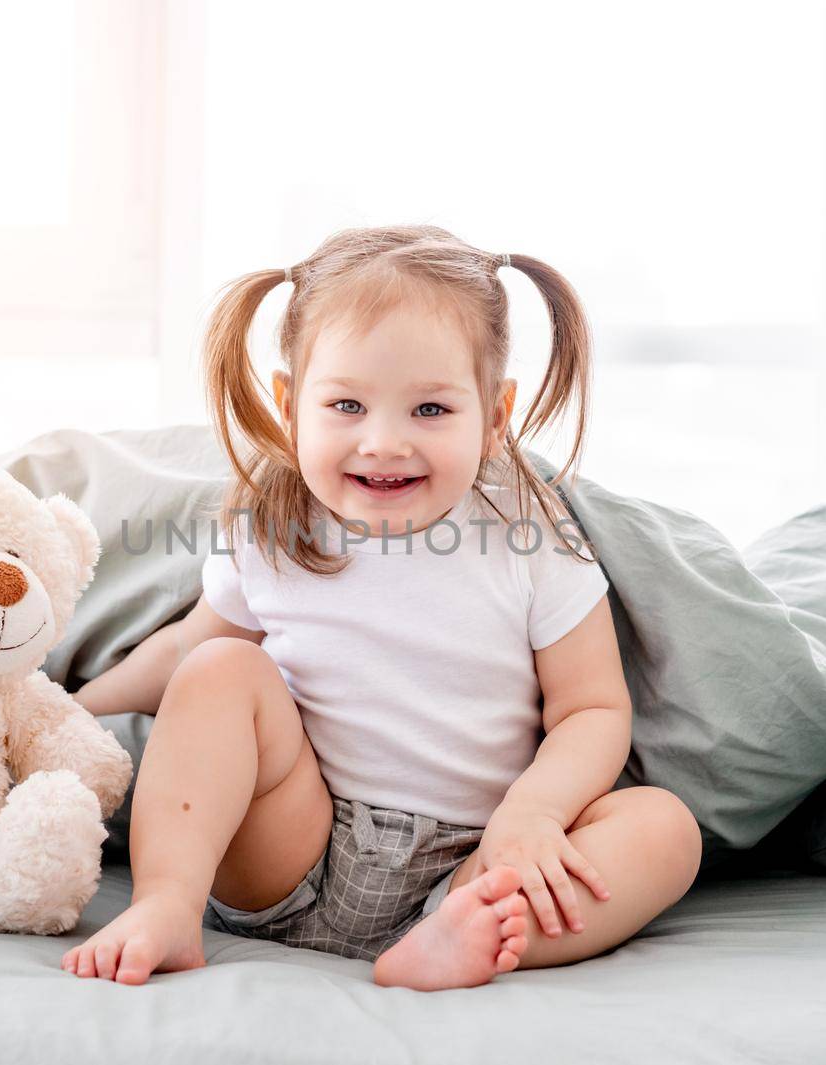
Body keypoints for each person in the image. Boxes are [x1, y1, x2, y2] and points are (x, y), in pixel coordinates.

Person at [62, 225, 702, 990]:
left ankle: (465, 939)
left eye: (430, 409)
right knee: (220, 666)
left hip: (474, 867)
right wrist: (70, 707)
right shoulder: (275, 522)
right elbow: (179, 655)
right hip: (291, 848)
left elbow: (593, 708)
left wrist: (530, 814)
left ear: (495, 417)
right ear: (291, 404)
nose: (385, 441)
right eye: (346, 405)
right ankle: (169, 901)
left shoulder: (529, 535)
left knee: (665, 829)